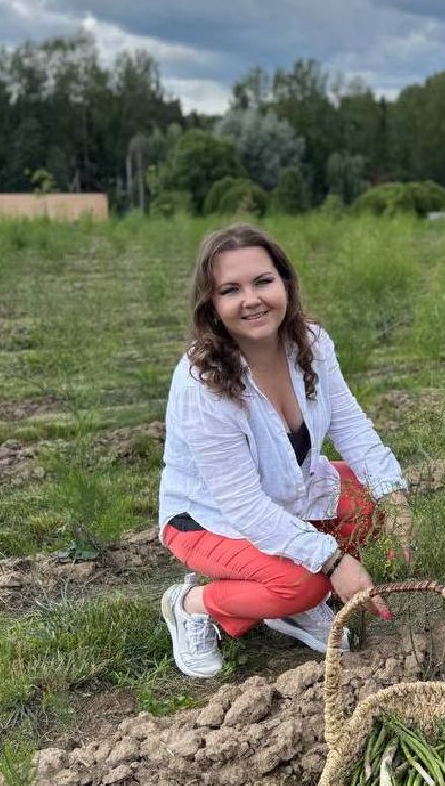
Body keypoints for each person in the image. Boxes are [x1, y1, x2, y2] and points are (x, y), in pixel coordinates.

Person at [157, 222, 412, 677]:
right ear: (212, 305)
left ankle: (289, 607)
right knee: (304, 583)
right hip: (208, 517)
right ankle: (192, 604)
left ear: (286, 284)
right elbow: (243, 505)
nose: (251, 299)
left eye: (263, 281)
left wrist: (393, 496)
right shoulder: (203, 383)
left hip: (284, 493)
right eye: (231, 290)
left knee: (369, 507)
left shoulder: (310, 343)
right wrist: (333, 560)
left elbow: (350, 425)